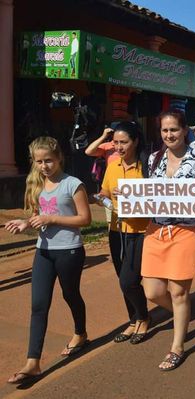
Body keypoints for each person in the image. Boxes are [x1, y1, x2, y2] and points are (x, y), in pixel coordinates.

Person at [5, 137, 91, 384]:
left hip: (70, 250)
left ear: (59, 158)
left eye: (49, 161)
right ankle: (33, 362)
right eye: (39, 161)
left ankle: (81, 333)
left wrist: (51, 219)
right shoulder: (35, 184)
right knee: (38, 305)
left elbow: (84, 219)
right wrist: (25, 224)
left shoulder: (73, 184)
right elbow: (36, 216)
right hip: (43, 251)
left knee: (70, 295)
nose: (44, 166)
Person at [141, 110, 195, 371]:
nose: (169, 134)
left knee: (178, 291)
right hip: (156, 230)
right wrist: (127, 194)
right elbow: (150, 193)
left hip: (186, 232)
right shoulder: (153, 158)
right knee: (153, 292)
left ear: (185, 130)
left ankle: (177, 347)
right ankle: (182, 315)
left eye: (174, 129)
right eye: (164, 130)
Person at [96, 122, 151, 344]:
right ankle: (132, 320)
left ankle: (144, 318)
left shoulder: (147, 167)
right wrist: (105, 200)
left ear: (135, 141)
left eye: (123, 142)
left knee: (129, 281)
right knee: (123, 279)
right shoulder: (112, 165)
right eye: (116, 142)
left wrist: (134, 197)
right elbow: (103, 193)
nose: (118, 147)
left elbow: (157, 199)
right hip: (116, 230)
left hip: (141, 231)